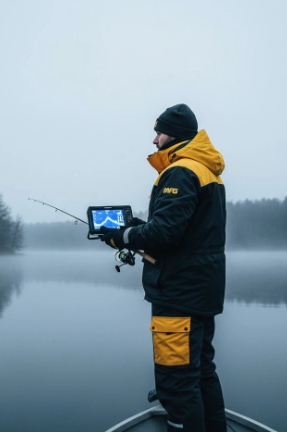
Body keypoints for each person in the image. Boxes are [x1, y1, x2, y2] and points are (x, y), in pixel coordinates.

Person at [100, 103, 227, 432]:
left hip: (179, 295)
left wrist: (125, 235)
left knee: (177, 385)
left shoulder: (181, 171)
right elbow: (184, 232)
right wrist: (141, 229)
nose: (155, 140)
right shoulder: (206, 171)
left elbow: (167, 233)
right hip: (201, 291)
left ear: (175, 134)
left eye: (159, 132)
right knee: (201, 373)